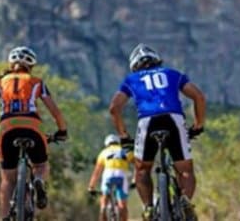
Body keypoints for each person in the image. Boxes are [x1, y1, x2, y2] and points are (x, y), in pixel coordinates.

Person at [108, 43, 206, 221]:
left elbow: (114, 108)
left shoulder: (131, 79)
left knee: (143, 170)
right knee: (185, 170)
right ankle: (185, 202)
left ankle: (148, 208)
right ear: (157, 60)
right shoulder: (173, 73)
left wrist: (123, 136)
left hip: (148, 121)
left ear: (135, 65)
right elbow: (198, 96)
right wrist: (198, 124)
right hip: (174, 119)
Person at [0, 46, 68, 221]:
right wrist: (62, 131)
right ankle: (38, 179)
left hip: (6, 129)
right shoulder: (36, 82)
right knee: (41, 165)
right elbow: (55, 111)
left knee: (7, 179)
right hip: (32, 127)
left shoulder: (0, 81)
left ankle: (6, 216)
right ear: (31, 65)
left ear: (11, 63)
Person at [87, 134, 135, 221]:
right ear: (118, 143)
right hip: (121, 175)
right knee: (122, 204)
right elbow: (138, 166)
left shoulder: (103, 152)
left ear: (107, 144)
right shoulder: (124, 151)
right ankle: (122, 210)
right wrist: (134, 180)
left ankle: (103, 208)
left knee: (104, 198)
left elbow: (97, 172)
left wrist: (91, 187)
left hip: (108, 174)